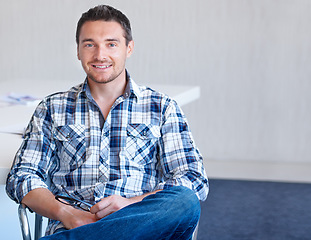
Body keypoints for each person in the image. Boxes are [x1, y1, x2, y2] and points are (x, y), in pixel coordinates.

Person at [6, 5, 209, 240]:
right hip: (75, 227)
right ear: (78, 51)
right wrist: (67, 213)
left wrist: (130, 205)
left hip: (142, 227)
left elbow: (192, 178)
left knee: (184, 201)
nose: (100, 55)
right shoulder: (53, 108)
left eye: (111, 44)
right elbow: (22, 177)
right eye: (90, 44)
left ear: (129, 48)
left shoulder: (161, 107)